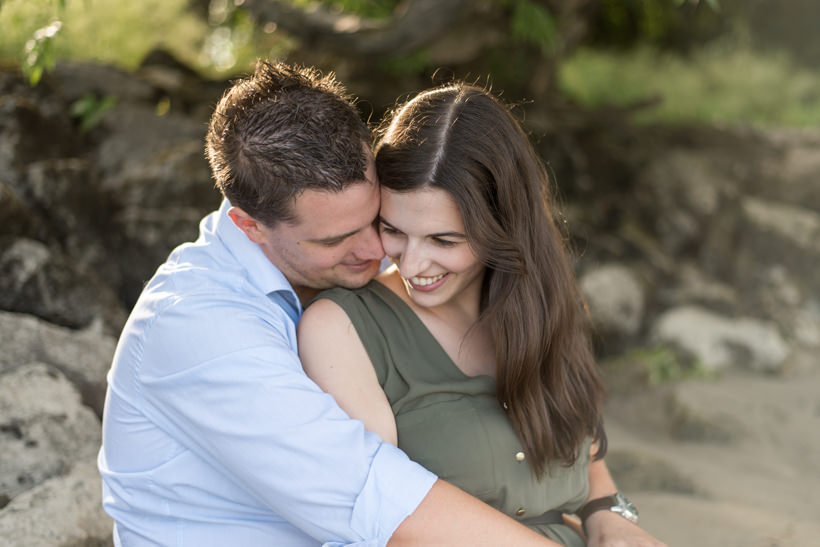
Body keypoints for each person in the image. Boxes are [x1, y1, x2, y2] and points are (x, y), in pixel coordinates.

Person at [98, 60, 563, 546]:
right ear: (249, 226)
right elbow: (372, 496)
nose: (376, 251)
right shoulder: (199, 325)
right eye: (337, 239)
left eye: (376, 221)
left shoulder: (351, 279)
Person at [298, 83, 667, 547]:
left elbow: (584, 449)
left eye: (443, 241)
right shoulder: (343, 328)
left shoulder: (539, 303)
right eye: (392, 230)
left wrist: (607, 513)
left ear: (502, 226)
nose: (410, 264)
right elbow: (380, 511)